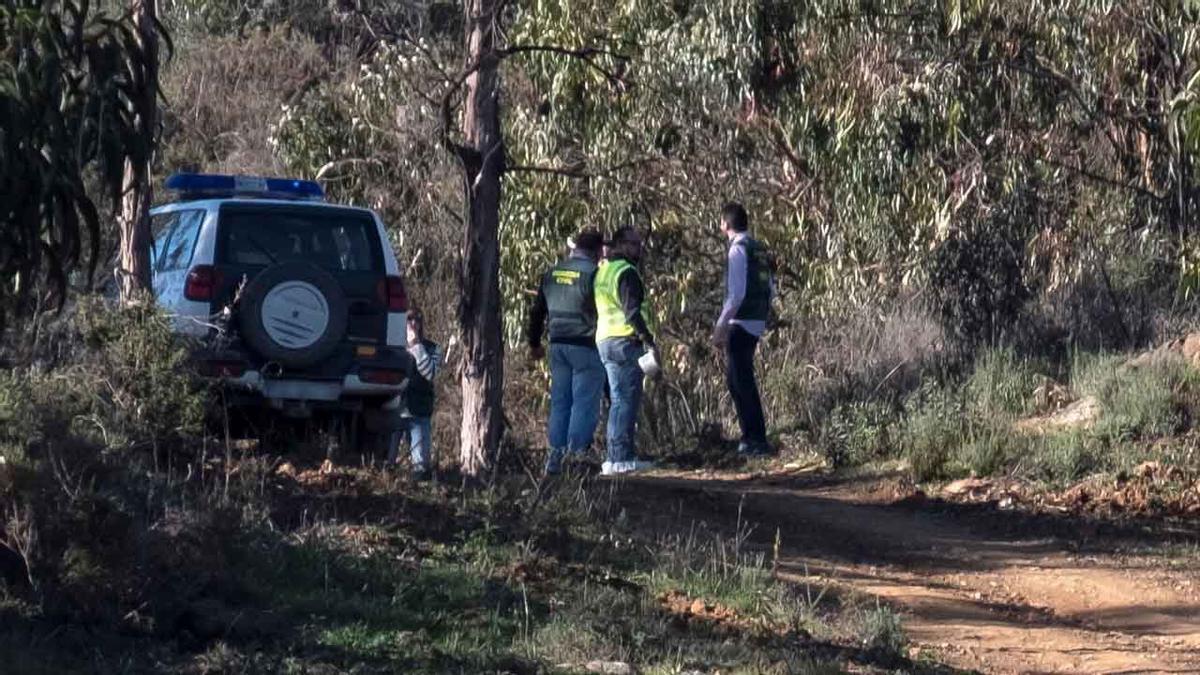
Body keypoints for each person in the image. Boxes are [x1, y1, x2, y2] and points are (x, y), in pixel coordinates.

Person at [527, 229, 606, 475]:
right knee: (584, 403)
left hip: (557, 344)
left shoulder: (552, 272)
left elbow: (537, 311)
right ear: (597, 251)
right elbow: (602, 310)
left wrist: (534, 343)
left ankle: (554, 460)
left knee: (560, 403)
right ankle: (574, 458)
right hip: (585, 345)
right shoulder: (594, 274)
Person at [711, 202, 774, 456]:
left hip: (741, 322)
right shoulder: (758, 249)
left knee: (741, 381)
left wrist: (720, 326)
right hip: (756, 320)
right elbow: (772, 288)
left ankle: (754, 439)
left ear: (725, 224)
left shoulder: (737, 250)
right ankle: (751, 437)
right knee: (737, 379)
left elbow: (736, 294)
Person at [594, 225, 657, 475]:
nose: (638, 248)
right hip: (624, 341)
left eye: (639, 243)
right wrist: (647, 339)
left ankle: (617, 455)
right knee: (624, 399)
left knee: (618, 399)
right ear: (620, 244)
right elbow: (632, 312)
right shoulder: (626, 272)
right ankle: (620, 457)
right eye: (633, 243)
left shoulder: (604, 271)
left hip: (605, 341)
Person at [388, 308, 442, 480]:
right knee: (386, 462)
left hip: (419, 409)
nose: (413, 324)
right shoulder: (393, 345)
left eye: (417, 320)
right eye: (409, 319)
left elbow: (430, 373)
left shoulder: (433, 348)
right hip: (393, 409)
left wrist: (416, 347)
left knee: (420, 467)